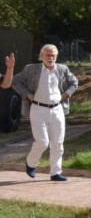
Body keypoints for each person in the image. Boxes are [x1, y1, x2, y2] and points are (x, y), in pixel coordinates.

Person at [12, 44, 78, 181]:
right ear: (41, 56)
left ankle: (56, 172)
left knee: (58, 143)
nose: (51, 58)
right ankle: (31, 163)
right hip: (38, 109)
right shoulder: (31, 69)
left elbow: (74, 82)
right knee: (42, 142)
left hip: (57, 109)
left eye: (53, 55)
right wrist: (27, 95)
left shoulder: (62, 69)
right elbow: (16, 81)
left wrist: (66, 94)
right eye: (48, 55)